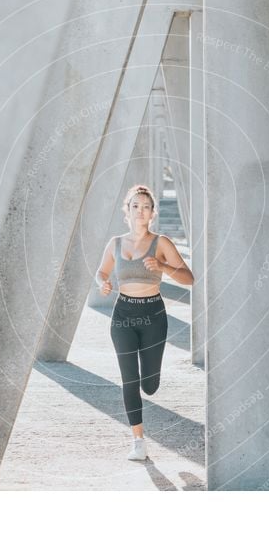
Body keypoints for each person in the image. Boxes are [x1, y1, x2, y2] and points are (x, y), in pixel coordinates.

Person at [95, 184, 195, 461]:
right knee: (129, 379)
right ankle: (138, 441)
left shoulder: (161, 243)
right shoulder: (115, 243)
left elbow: (189, 278)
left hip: (153, 315)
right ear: (127, 211)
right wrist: (102, 283)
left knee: (149, 385)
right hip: (123, 315)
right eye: (135, 206)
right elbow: (101, 272)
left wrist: (162, 266)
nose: (140, 211)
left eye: (146, 206)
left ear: (153, 213)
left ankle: (150, 384)